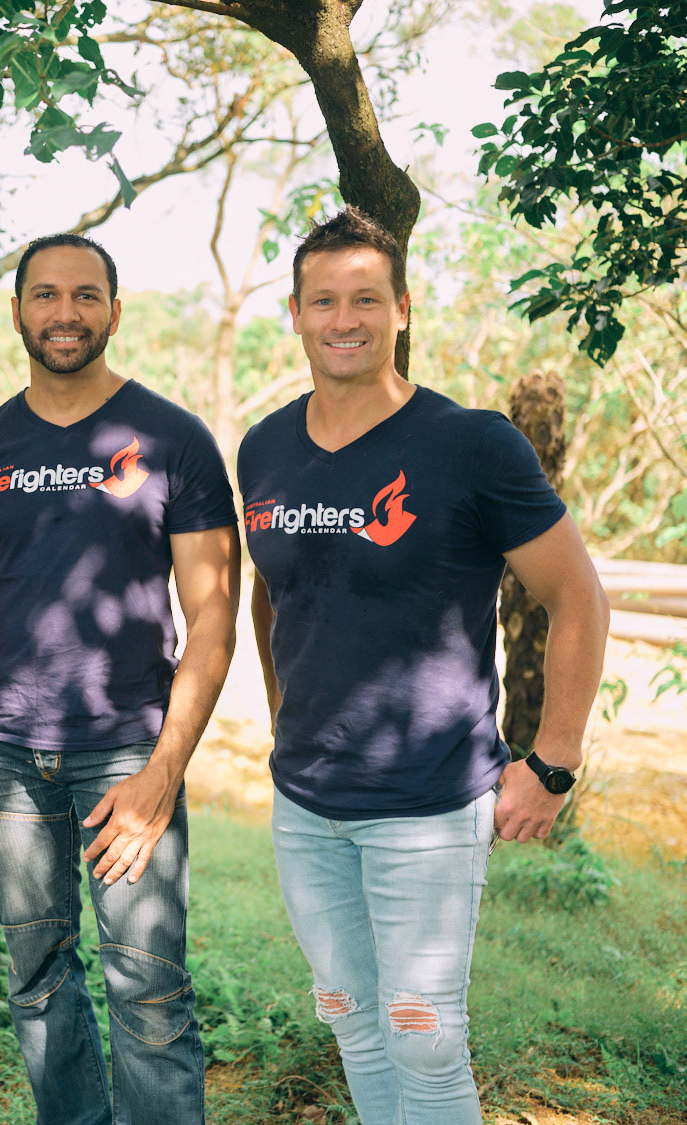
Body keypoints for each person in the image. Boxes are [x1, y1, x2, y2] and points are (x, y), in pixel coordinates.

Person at [238, 208, 611, 1124]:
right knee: (352, 1019)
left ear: (402, 309)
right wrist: (287, 723)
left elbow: (577, 599)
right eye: (324, 300)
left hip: (429, 801)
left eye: (367, 299)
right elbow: (270, 592)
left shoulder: (471, 444)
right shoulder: (265, 448)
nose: (345, 319)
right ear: (295, 314)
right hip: (305, 802)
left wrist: (552, 761)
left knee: (425, 1035)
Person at [0, 233, 241, 1125]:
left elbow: (213, 616)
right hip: (4, 753)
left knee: (150, 988)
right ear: (17, 311)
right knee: (37, 977)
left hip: (126, 752)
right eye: (46, 295)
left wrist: (164, 770)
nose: (66, 313)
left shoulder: (174, 440)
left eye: (86, 295)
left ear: (115, 312)